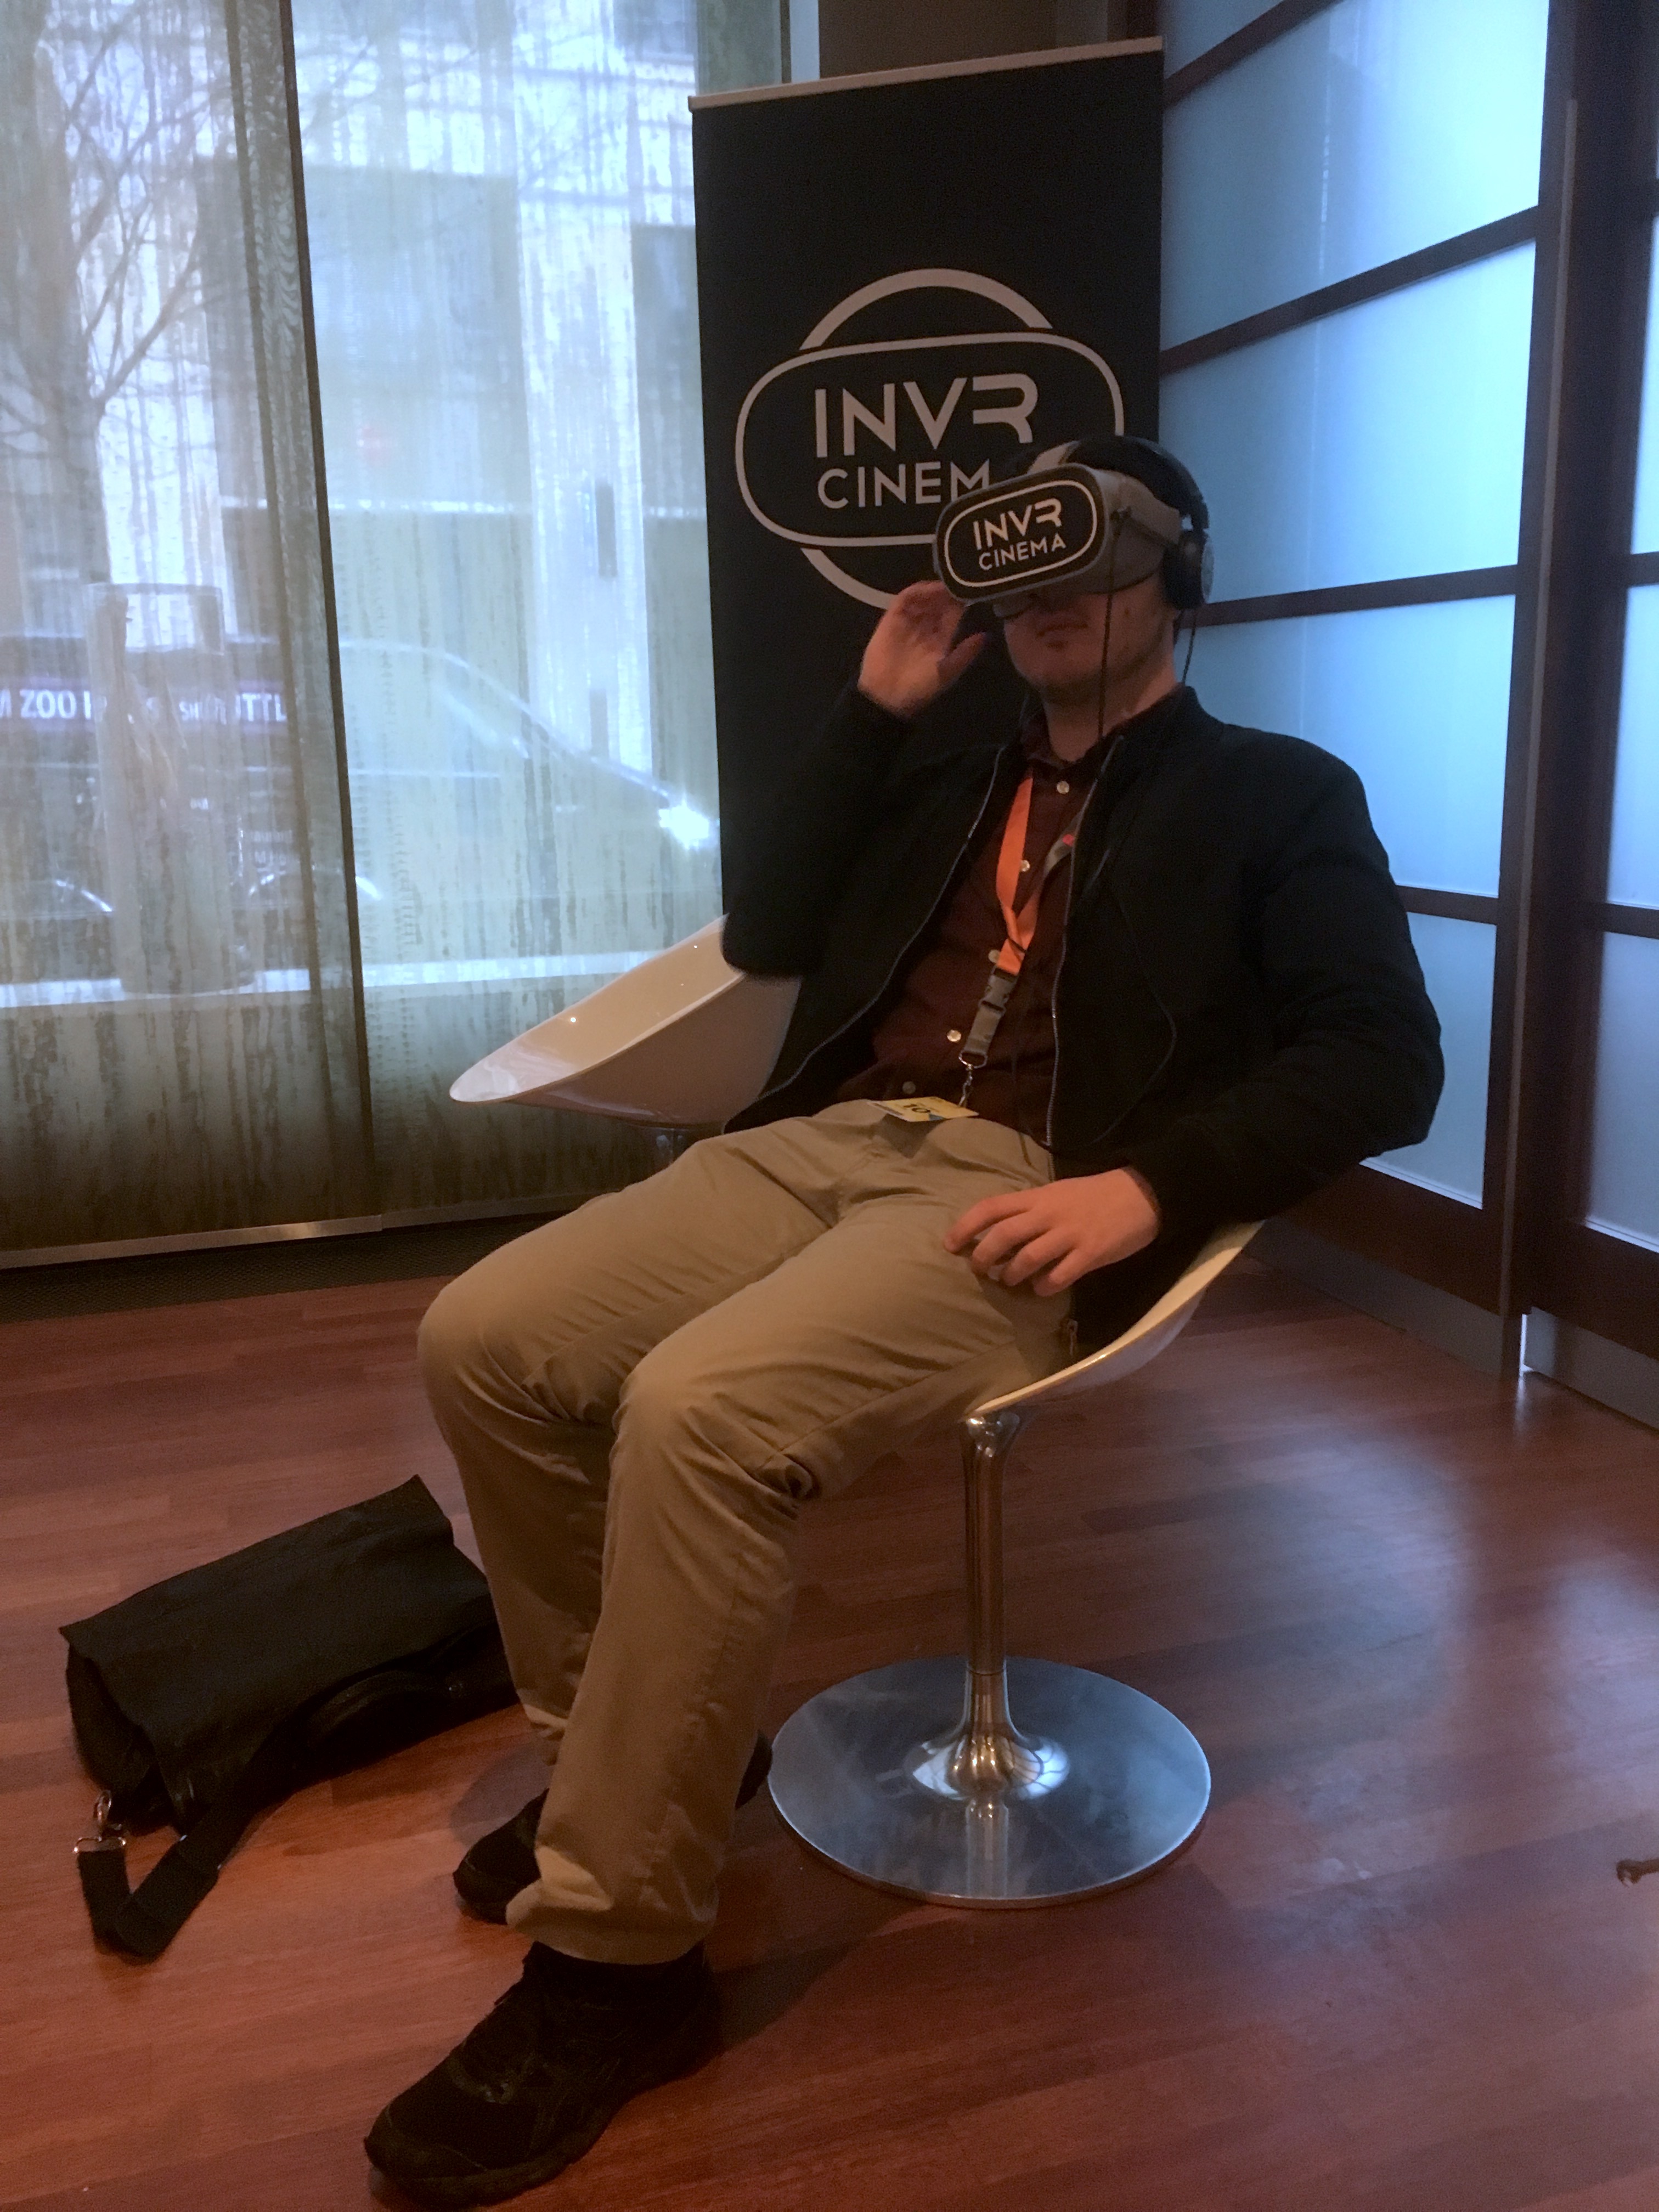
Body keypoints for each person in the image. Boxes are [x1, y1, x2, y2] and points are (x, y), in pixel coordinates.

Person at [364, 435, 1443, 2207]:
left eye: (1094, 550)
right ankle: (640, 1765)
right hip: (822, 1140)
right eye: (1028, 557)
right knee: (483, 1341)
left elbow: (1387, 1057)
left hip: (1025, 1191)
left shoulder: (1276, 792)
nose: (1055, 594)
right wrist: (874, 711)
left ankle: (620, 1963)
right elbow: (774, 926)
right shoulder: (946, 769)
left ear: (1179, 570)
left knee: (700, 1416)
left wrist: (1149, 1185)